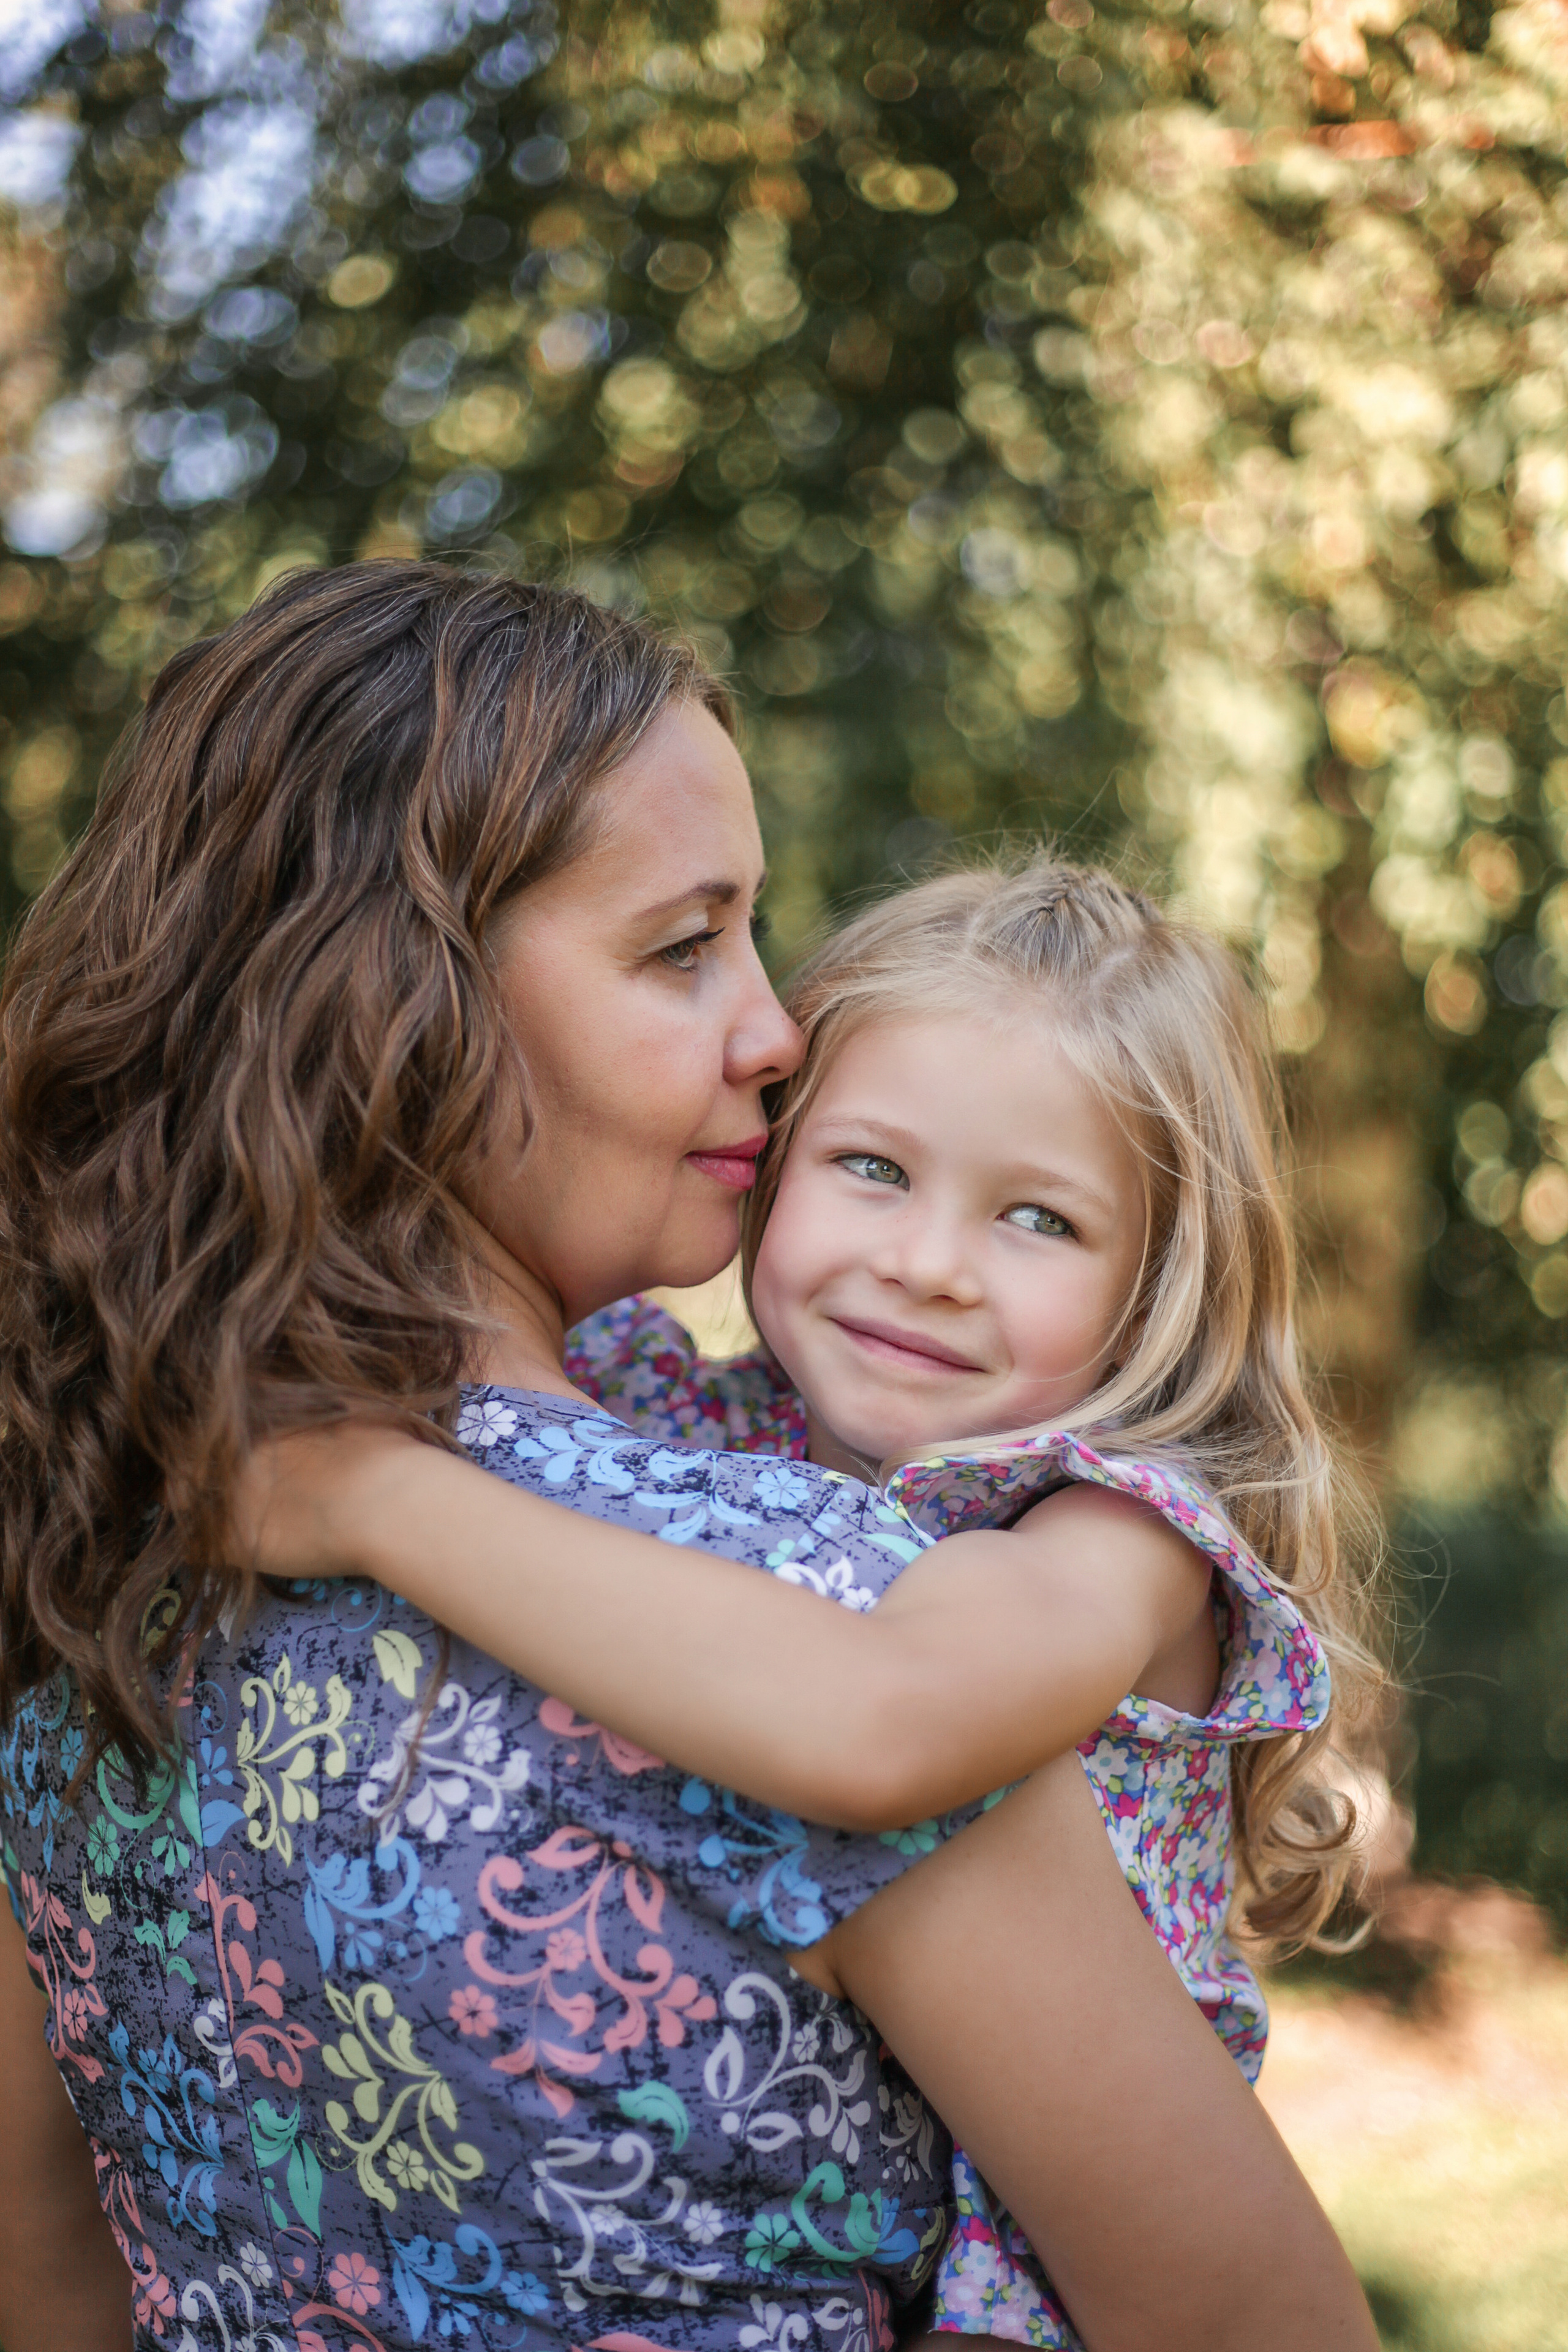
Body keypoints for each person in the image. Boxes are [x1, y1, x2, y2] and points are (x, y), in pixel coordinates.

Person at [0, 562, 1378, 2352]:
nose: (778, 1033)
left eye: (1039, 1218)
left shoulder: (109, 1554)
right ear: (391, 1005)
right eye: (682, 946)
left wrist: (368, 1491)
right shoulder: (785, 1584)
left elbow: (49, 2261)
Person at [238, 858, 1385, 2349]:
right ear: (765, 1163)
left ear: (1158, 1286)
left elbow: (883, 1721)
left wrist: (365, 1502)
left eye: (1038, 1221)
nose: (924, 1267)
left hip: (1039, 2275)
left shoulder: (1113, 1535)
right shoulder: (675, 1416)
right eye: (873, 1169)